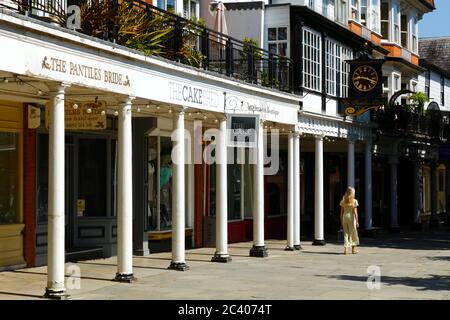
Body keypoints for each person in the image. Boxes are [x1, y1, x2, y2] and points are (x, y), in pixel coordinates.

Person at [339, 186, 360, 255]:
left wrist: (341, 220)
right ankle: (353, 249)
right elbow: (355, 213)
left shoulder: (343, 201)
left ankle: (346, 249)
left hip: (345, 217)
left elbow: (341, 212)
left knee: (346, 234)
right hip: (351, 218)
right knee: (353, 233)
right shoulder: (354, 201)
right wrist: (357, 221)